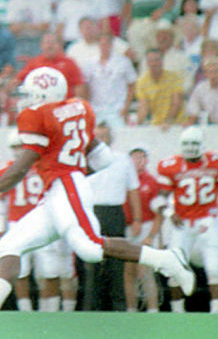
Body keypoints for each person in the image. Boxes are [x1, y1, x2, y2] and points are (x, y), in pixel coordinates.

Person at [0, 66, 195, 311]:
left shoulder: (38, 116)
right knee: (9, 245)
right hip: (63, 188)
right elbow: (102, 158)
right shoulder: (79, 108)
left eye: (30, 94)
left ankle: (166, 259)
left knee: (91, 248)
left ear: (43, 94)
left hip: (65, 186)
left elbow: (20, 168)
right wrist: (74, 167)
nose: (26, 100)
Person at [0, 130, 75, 312]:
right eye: (14, 147)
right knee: (21, 272)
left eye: (21, 146)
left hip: (43, 221)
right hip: (17, 223)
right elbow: (0, 203)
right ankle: (25, 310)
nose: (18, 151)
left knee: (50, 270)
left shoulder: (45, 167)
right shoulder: (4, 170)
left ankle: (49, 311)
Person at [156, 126, 218, 314]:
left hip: (208, 221)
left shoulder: (216, 162)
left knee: (215, 269)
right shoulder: (171, 166)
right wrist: (170, 213)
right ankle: (177, 313)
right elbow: (159, 199)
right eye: (186, 143)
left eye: (194, 143)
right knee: (174, 270)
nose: (190, 147)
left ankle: (216, 312)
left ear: (202, 144)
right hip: (183, 223)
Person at [82, 123, 141, 312]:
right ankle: (92, 308)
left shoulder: (123, 159)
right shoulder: (84, 161)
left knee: (118, 263)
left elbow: (133, 189)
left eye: (104, 136)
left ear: (111, 138)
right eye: (97, 136)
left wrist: (138, 219)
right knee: (92, 263)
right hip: (92, 213)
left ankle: (118, 307)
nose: (101, 140)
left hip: (115, 212)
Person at [123, 146, 161, 313]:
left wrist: (151, 235)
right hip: (128, 228)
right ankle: (132, 308)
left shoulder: (151, 182)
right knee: (128, 270)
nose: (138, 161)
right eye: (134, 157)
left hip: (145, 226)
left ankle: (152, 308)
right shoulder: (123, 181)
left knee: (145, 269)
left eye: (141, 157)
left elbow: (159, 214)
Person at [135, 49, 185, 130]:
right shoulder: (142, 82)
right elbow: (143, 106)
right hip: (157, 124)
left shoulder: (174, 78)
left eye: (157, 60)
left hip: (177, 123)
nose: (154, 63)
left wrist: (167, 121)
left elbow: (176, 103)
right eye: (151, 60)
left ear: (162, 61)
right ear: (147, 63)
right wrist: (138, 124)